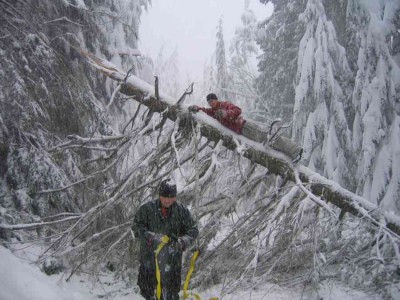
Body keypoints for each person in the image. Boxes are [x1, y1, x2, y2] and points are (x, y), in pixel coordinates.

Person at [133, 178, 199, 300]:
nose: (167, 200)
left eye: (171, 197)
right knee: (147, 295)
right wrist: (150, 237)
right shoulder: (147, 209)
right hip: (149, 263)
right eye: (164, 197)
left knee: (171, 296)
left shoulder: (181, 211)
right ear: (159, 195)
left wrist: (183, 241)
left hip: (172, 265)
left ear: (175, 197)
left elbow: (193, 230)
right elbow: (136, 227)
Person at [188, 93, 303, 163]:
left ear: (216, 99)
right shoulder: (213, 111)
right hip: (242, 132)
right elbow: (205, 111)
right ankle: (288, 156)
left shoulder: (224, 105)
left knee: (269, 137)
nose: (211, 103)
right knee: (265, 143)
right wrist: (197, 108)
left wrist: (226, 113)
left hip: (245, 125)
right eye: (209, 102)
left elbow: (238, 110)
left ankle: (295, 150)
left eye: (212, 101)